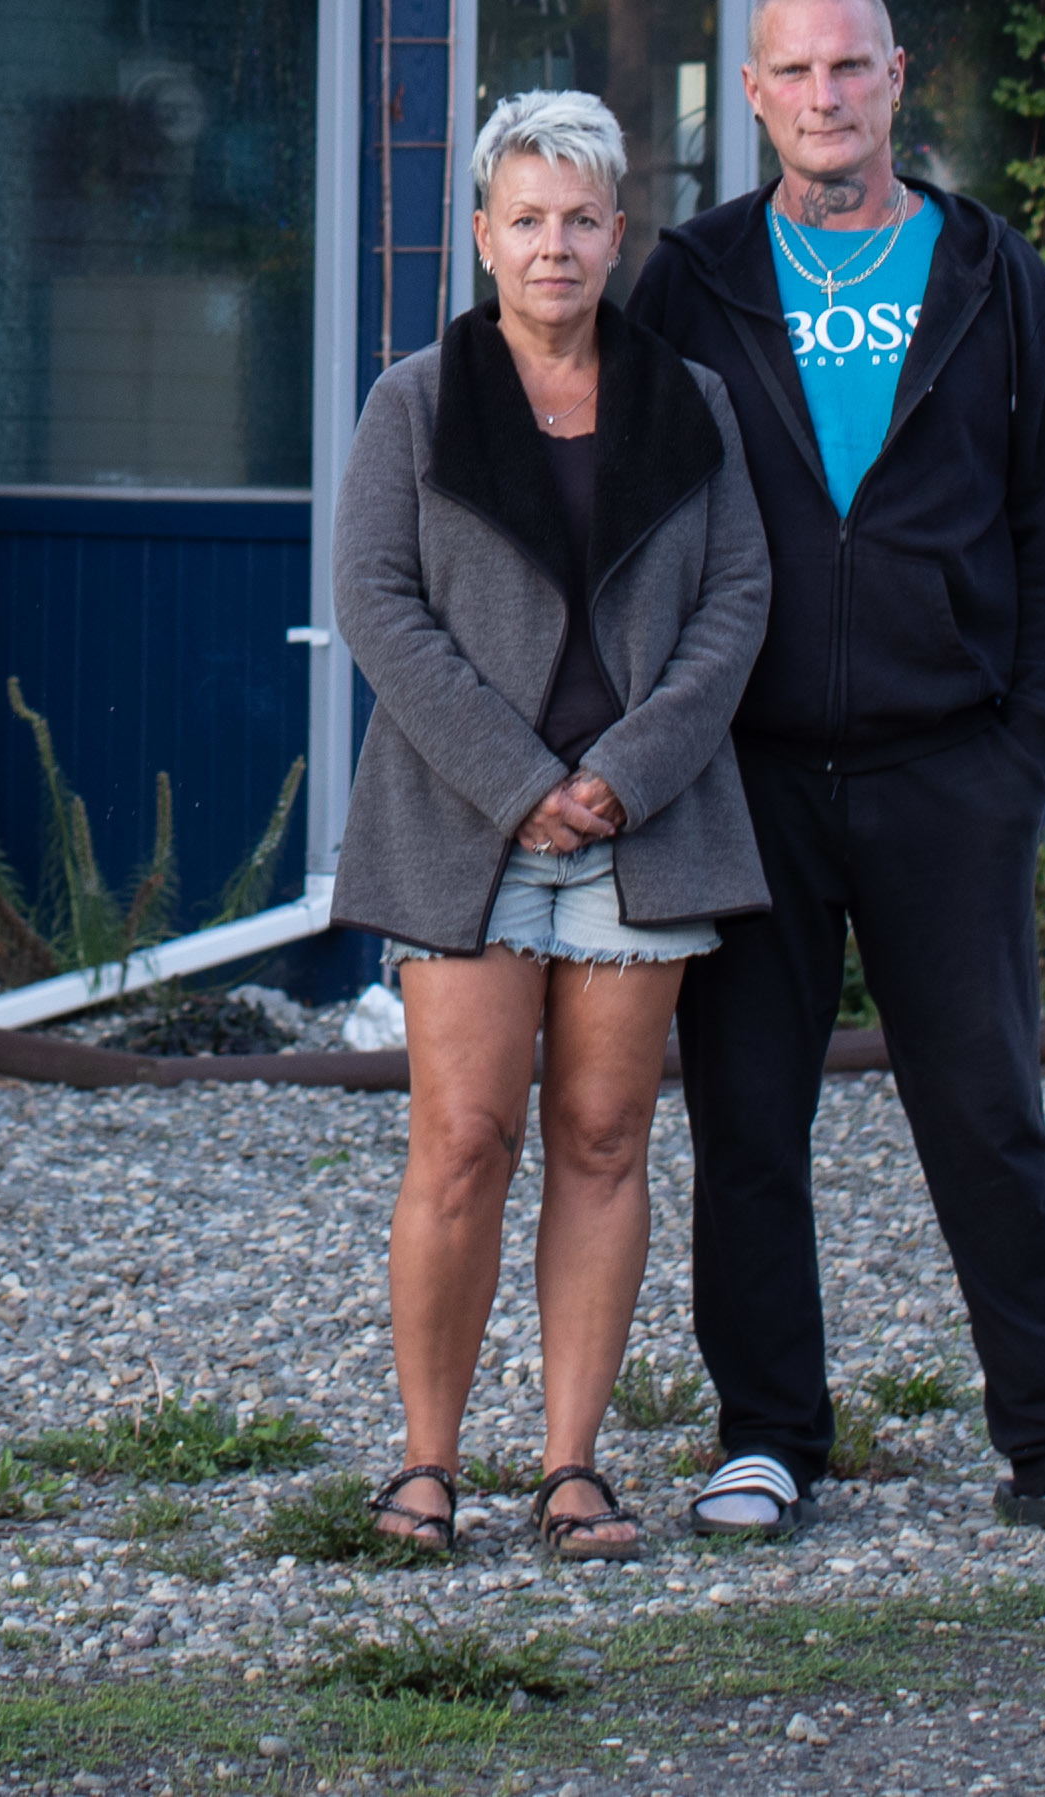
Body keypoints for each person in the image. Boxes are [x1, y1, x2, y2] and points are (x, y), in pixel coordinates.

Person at [628, 0, 1045, 1549]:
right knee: (747, 1115)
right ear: (749, 93)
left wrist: (1030, 738)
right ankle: (768, 1437)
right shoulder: (693, 282)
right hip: (747, 774)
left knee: (987, 1109)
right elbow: (632, 513)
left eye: (852, 66)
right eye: (795, 70)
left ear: (898, 77)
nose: (826, 95)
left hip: (951, 769)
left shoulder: (994, 276)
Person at [328, 87, 775, 1563]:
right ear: (481, 236)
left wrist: (623, 773)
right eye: (525, 218)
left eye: (581, 217)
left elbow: (735, 603)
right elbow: (377, 604)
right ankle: (426, 1462)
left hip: (644, 829)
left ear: (619, 232)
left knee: (601, 1133)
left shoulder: (685, 400)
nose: (554, 246)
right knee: (464, 1136)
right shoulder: (414, 400)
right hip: (467, 821)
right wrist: (523, 779)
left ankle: (573, 1465)